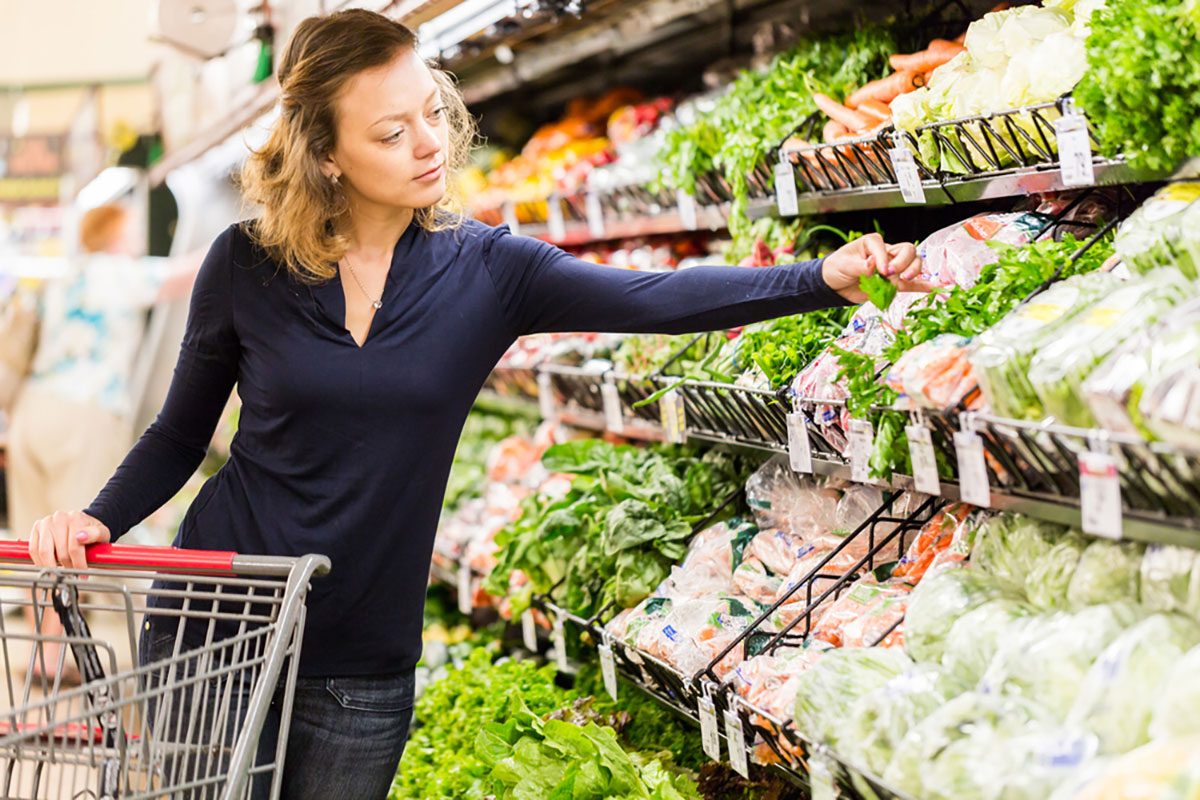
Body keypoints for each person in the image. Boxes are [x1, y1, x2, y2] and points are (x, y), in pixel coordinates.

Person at [25, 9, 927, 798]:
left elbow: (655, 300)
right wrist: (96, 519)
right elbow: (182, 432)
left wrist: (821, 275)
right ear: (325, 154)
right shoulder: (244, 262)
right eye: (390, 133)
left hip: (362, 658)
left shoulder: (490, 271)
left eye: (431, 113)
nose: (428, 144)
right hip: (217, 632)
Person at [7, 203, 199, 684]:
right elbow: (183, 275)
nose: (137, 235)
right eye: (132, 226)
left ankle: (39, 655)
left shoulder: (60, 279)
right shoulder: (119, 273)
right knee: (72, 537)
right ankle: (54, 660)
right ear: (113, 232)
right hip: (86, 412)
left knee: (37, 535)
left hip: (34, 409)